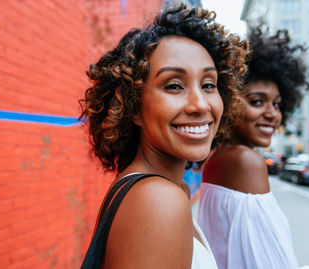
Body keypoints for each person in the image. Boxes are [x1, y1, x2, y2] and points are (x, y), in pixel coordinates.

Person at [79, 5, 249, 269]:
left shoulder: (158, 190)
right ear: (133, 106)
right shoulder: (158, 200)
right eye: (174, 86)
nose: (201, 105)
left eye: (208, 85)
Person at [198, 25, 309, 269]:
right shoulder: (245, 160)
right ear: (229, 102)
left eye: (278, 104)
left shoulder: (218, 158)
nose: (272, 114)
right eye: (257, 101)